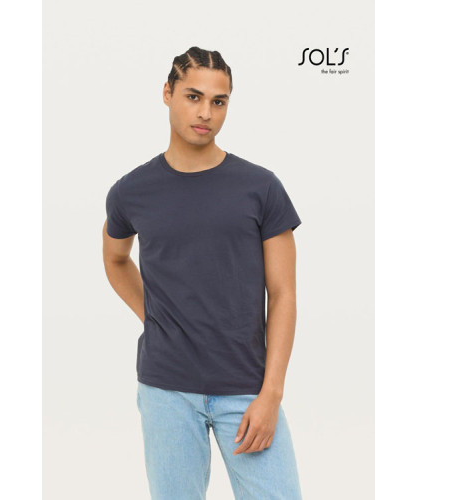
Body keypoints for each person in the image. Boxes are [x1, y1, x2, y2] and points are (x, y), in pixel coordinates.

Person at [102, 46, 303, 499]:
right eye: (193, 97)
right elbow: (115, 258)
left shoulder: (261, 188)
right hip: (166, 390)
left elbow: (283, 294)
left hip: (247, 388)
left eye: (219, 101)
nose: (206, 113)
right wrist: (154, 315)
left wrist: (271, 394)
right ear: (168, 93)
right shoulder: (131, 191)